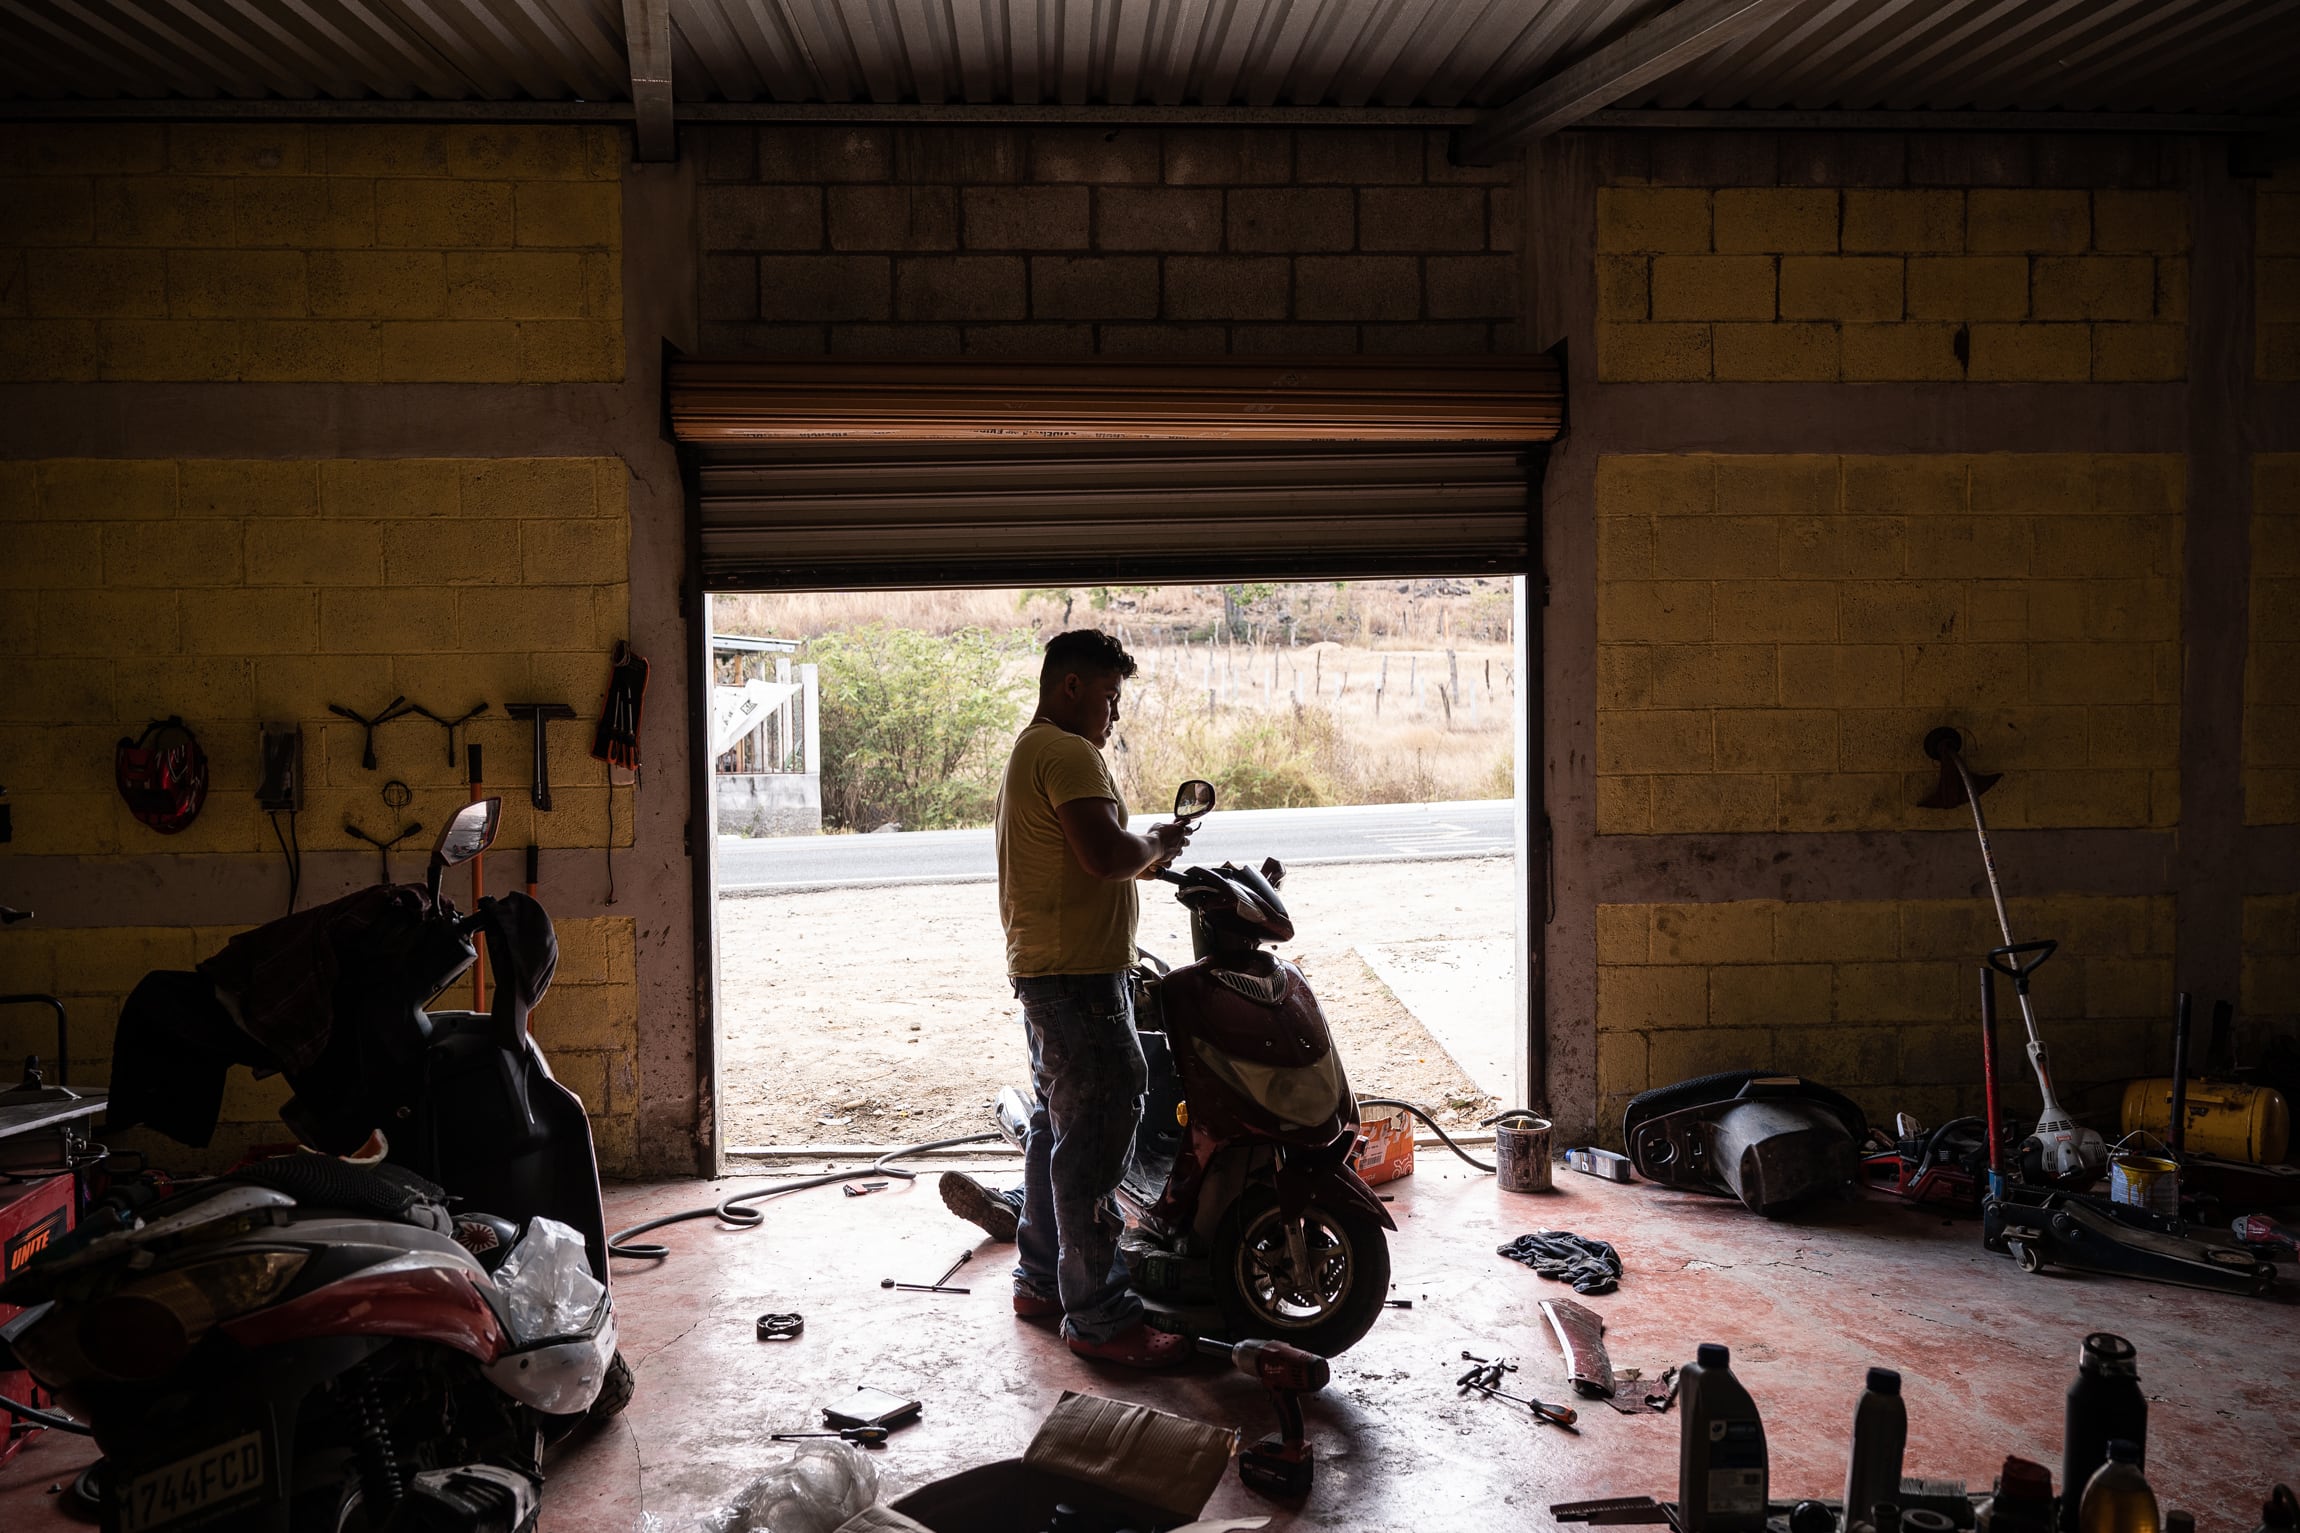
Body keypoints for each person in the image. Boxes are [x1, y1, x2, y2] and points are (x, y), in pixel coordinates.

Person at [939, 629, 1194, 1368]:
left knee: (1058, 1127)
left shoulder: (1034, 751)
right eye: (1109, 697)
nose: (1113, 715)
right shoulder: (1067, 750)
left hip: (1050, 973)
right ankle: (1099, 1312)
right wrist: (1146, 843)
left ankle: (1042, 1279)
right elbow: (1108, 854)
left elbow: (1092, 857)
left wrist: (1148, 850)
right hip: (1079, 982)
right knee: (1102, 1126)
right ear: (1072, 685)